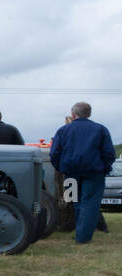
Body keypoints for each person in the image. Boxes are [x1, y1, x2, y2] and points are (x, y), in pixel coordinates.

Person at [50, 102, 115, 244]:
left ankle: (81, 233)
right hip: (94, 173)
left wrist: (60, 168)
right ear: (89, 113)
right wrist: (105, 168)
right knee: (90, 203)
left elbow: (54, 153)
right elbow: (109, 153)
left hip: (69, 173)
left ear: (73, 114)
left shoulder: (63, 130)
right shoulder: (100, 129)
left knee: (74, 201)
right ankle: (83, 236)